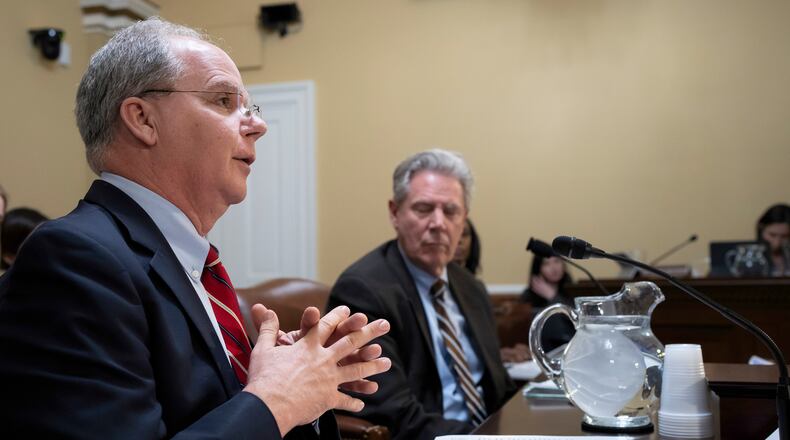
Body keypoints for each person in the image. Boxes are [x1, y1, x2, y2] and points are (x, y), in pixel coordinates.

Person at [0, 18, 391, 439]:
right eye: (224, 100)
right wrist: (276, 398)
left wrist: (301, 382)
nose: (258, 125)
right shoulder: (74, 259)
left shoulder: (187, 262)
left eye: (250, 107)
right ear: (143, 119)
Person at [328, 149, 515, 440]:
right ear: (395, 213)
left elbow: (499, 388)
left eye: (451, 211)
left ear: (464, 219)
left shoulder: (471, 288)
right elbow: (394, 414)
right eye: (424, 209)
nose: (438, 223)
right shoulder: (363, 291)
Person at [520, 254, 575, 352]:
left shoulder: (574, 291)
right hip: (542, 353)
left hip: (572, 350)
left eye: (557, 261)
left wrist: (553, 297)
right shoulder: (528, 296)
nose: (554, 268)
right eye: (546, 264)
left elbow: (575, 319)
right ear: (538, 268)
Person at [756, 203, 790, 277]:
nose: (777, 242)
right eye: (772, 235)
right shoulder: (752, 259)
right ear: (761, 229)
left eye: (784, 236)